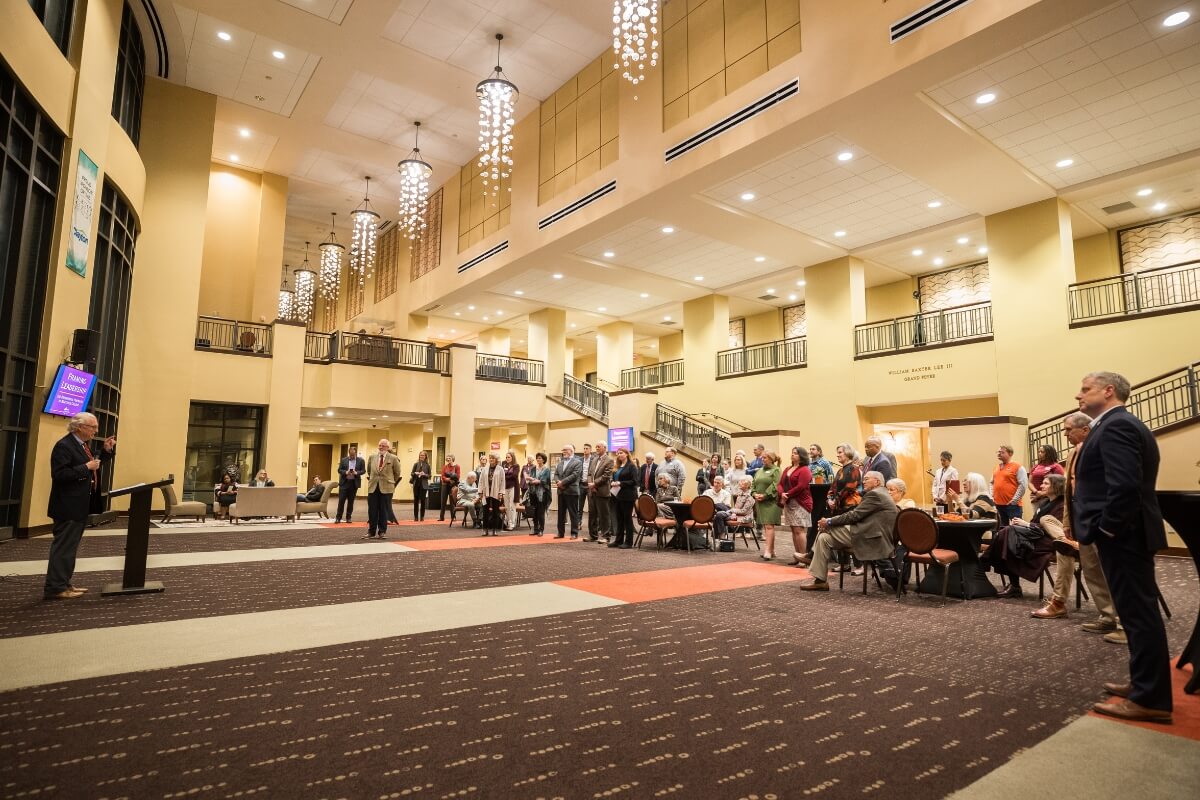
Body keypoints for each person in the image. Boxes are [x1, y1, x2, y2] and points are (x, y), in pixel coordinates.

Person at [1073, 371, 1171, 724]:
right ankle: (1144, 683)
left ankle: (1152, 699)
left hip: (1125, 535)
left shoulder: (1117, 426)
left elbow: (1125, 487)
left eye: (1085, 389)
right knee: (1133, 614)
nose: (1078, 395)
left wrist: (1107, 530)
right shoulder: (1112, 424)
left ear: (1108, 391)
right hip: (1126, 534)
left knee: (1139, 614)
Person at [1031, 413, 1121, 636]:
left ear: (1085, 430)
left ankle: (1120, 620)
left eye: (1069, 430)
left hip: (1102, 521)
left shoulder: (1103, 450)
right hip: (1081, 520)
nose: (1065, 434)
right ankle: (1107, 616)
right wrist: (1068, 524)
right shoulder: (1073, 454)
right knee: (1087, 568)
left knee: (1110, 570)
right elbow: (1071, 492)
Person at [43, 413, 114, 600]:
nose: (95, 431)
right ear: (79, 427)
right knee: (64, 549)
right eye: (93, 427)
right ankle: (55, 588)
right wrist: (86, 467)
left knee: (70, 548)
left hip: (78, 506)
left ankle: (64, 584)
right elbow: (60, 475)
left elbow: (93, 465)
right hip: (68, 507)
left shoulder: (81, 445)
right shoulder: (64, 446)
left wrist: (105, 452)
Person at [801, 471, 898, 592]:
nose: (863, 481)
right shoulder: (881, 493)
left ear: (877, 482)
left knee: (827, 527)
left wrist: (829, 521)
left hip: (871, 538)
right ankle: (820, 581)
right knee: (824, 538)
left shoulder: (875, 494)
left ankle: (810, 555)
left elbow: (854, 515)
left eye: (867, 479)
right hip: (870, 534)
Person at [981, 474, 1066, 598]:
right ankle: (1010, 583)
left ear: (1056, 486)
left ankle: (984, 563)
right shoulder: (1045, 502)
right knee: (1007, 534)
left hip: (1049, 541)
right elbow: (1035, 523)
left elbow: (1055, 529)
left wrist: (1025, 524)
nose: (1041, 485)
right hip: (1036, 536)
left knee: (1007, 535)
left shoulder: (1062, 505)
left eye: (1046, 483)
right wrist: (1024, 525)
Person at [778, 447, 813, 566]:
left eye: (795, 453)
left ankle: (804, 558)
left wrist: (788, 494)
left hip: (800, 502)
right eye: (792, 453)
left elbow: (802, 486)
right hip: (789, 502)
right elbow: (780, 484)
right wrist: (781, 493)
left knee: (800, 529)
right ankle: (797, 555)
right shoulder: (787, 468)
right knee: (793, 529)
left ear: (801, 456)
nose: (792, 455)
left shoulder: (805, 470)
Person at [365, 438, 402, 540]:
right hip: (373, 487)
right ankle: (371, 532)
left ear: (387, 447)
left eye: (383, 446)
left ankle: (382, 532)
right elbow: (369, 471)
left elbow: (397, 473)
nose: (381, 447)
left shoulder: (393, 458)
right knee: (372, 510)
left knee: (383, 510)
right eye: (380, 445)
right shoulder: (372, 457)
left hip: (387, 488)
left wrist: (390, 481)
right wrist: (374, 479)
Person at [751, 451, 781, 560]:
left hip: (771, 502)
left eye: (765, 458)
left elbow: (776, 485)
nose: (762, 460)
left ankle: (767, 551)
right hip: (760, 501)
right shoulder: (759, 471)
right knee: (766, 526)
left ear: (771, 459)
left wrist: (765, 495)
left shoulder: (776, 470)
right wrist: (754, 494)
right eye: (762, 458)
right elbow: (753, 484)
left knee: (769, 526)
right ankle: (771, 551)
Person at [609, 448, 639, 548]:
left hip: (628, 495)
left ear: (626, 454)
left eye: (621, 453)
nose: (619, 455)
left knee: (627, 519)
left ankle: (629, 542)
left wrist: (621, 483)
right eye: (618, 453)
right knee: (619, 518)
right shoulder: (617, 466)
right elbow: (615, 478)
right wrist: (613, 483)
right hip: (617, 495)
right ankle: (618, 540)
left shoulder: (631, 466)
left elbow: (635, 481)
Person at [992, 445, 1027, 527]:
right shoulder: (996, 468)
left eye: (1002, 452)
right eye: (998, 452)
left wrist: (1014, 500)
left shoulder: (1018, 467)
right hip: (998, 504)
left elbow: (1023, 485)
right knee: (1002, 529)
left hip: (1013, 505)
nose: (999, 454)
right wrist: (992, 496)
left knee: (1016, 529)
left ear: (1010, 453)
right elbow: (991, 483)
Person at [554, 444, 584, 538]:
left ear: (571, 451)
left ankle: (574, 533)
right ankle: (560, 533)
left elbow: (575, 475)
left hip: (571, 491)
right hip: (561, 491)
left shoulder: (577, 462)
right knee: (561, 513)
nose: (563, 452)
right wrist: (558, 481)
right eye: (563, 450)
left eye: (565, 450)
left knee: (573, 513)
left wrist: (562, 482)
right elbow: (556, 474)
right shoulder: (560, 462)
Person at [588, 442, 615, 542]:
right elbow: (589, 474)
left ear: (605, 448)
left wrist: (594, 484)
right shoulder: (594, 459)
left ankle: (606, 536)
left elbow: (606, 476)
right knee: (592, 515)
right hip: (592, 491)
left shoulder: (609, 460)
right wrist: (591, 484)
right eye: (596, 446)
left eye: (598, 446)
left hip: (602, 491)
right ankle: (593, 535)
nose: (597, 448)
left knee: (604, 515)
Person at [479, 453, 507, 536]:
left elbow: (503, 482)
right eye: (490, 458)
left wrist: (501, 493)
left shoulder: (500, 469)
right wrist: (480, 492)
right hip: (486, 492)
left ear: (496, 460)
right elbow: (480, 480)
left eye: (493, 458)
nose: (491, 460)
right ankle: (485, 529)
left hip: (496, 492)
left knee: (495, 511)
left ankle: (494, 530)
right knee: (485, 511)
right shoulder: (485, 469)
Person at [336, 446, 365, 523]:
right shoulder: (344, 460)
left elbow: (363, 471)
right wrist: (346, 472)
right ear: (349, 453)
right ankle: (338, 517)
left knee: (351, 501)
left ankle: (348, 517)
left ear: (355, 453)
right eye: (350, 455)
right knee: (341, 501)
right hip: (344, 483)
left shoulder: (361, 461)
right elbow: (339, 470)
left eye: (353, 455)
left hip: (353, 483)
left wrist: (357, 473)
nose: (351, 456)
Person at [525, 452, 551, 536]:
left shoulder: (546, 469)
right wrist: (530, 479)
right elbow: (531, 480)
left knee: (541, 512)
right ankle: (535, 529)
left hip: (542, 493)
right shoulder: (533, 468)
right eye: (537, 458)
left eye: (540, 458)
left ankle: (541, 530)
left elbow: (544, 481)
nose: (538, 459)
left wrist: (536, 480)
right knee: (534, 512)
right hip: (533, 493)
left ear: (543, 460)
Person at [702, 474, 733, 542]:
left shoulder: (726, 494)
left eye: (718, 483)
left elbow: (726, 508)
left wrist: (714, 506)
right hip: (708, 512)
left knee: (719, 513)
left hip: (720, 513)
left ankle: (716, 537)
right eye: (715, 482)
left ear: (722, 484)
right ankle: (720, 536)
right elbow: (702, 503)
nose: (715, 484)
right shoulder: (707, 492)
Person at [409, 450, 432, 521]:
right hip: (416, 484)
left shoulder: (427, 465)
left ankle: (422, 516)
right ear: (419, 456)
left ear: (425, 457)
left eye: (423, 455)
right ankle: (416, 517)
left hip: (423, 485)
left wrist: (424, 474)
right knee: (416, 501)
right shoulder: (416, 464)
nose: (422, 456)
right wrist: (415, 473)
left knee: (423, 501)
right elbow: (412, 473)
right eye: (421, 455)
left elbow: (430, 476)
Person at [437, 454, 460, 522]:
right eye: (447, 458)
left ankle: (453, 517)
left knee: (452, 502)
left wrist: (451, 479)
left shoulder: (457, 466)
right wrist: (449, 479)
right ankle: (441, 517)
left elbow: (458, 476)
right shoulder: (444, 467)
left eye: (449, 458)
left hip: (453, 486)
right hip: (445, 485)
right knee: (443, 501)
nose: (448, 459)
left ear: (453, 459)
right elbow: (442, 476)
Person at [502, 450, 520, 530]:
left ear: (512, 458)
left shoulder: (516, 466)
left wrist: (506, 476)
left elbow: (514, 476)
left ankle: (512, 523)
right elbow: (501, 475)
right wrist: (507, 475)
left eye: (509, 457)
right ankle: (508, 522)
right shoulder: (504, 465)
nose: (507, 458)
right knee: (506, 506)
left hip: (513, 487)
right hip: (505, 488)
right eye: (506, 457)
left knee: (512, 506)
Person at [578, 443, 595, 522]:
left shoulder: (594, 459)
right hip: (581, 484)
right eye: (584, 448)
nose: (585, 450)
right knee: (579, 506)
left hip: (590, 485)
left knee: (591, 507)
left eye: (587, 448)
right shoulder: (580, 459)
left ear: (590, 450)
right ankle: (578, 522)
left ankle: (591, 524)